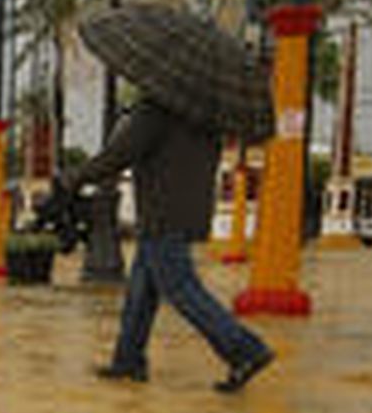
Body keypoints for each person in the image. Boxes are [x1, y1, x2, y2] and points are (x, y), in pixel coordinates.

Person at [51, 97, 274, 393]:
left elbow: (120, 154)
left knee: (182, 290)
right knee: (141, 292)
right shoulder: (206, 113)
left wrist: (75, 176)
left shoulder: (156, 110)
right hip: (187, 213)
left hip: (161, 213)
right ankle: (128, 361)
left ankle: (245, 349)